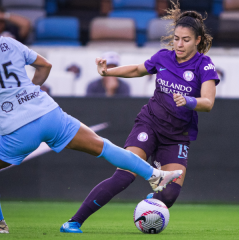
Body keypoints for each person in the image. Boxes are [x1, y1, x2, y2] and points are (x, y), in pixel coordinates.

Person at [0, 14, 182, 234]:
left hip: (18, 129)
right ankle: (154, 175)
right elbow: (45, 65)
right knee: (104, 147)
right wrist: (29, 92)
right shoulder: (8, 42)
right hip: (49, 114)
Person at [60, 1, 220, 233]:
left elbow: (208, 103)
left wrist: (189, 101)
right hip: (149, 124)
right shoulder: (164, 57)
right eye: (176, 38)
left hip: (176, 136)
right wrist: (108, 71)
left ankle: (148, 206)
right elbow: (137, 69)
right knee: (124, 176)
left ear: (197, 40)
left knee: (170, 193)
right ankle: (73, 222)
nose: (179, 44)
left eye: (186, 40)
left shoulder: (204, 66)